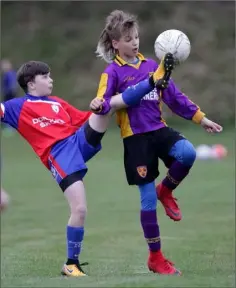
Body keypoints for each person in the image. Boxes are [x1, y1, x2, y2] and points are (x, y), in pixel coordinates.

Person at [0, 58, 173, 277]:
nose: (50, 79)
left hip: (78, 142)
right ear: (31, 84)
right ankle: (71, 264)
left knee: (106, 105)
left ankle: (152, 82)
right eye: (45, 77)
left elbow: (83, 118)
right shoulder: (17, 106)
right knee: (80, 210)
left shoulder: (56, 102)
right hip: (59, 156)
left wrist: (98, 107)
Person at [95, 10, 223, 275]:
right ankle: (156, 257)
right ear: (115, 43)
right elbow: (104, 101)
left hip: (159, 130)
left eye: (137, 36)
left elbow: (174, 97)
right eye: (128, 38)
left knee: (187, 153)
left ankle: (166, 190)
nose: (135, 42)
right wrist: (99, 103)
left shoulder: (154, 66)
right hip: (135, 140)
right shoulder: (112, 72)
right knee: (146, 201)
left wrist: (201, 118)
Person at [1, 59, 17, 135]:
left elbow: (12, 85)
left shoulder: (9, 74)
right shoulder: (7, 74)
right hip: (8, 94)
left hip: (10, 95)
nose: (3, 67)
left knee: (8, 111)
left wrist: (8, 91)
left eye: (4, 65)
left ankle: (10, 127)